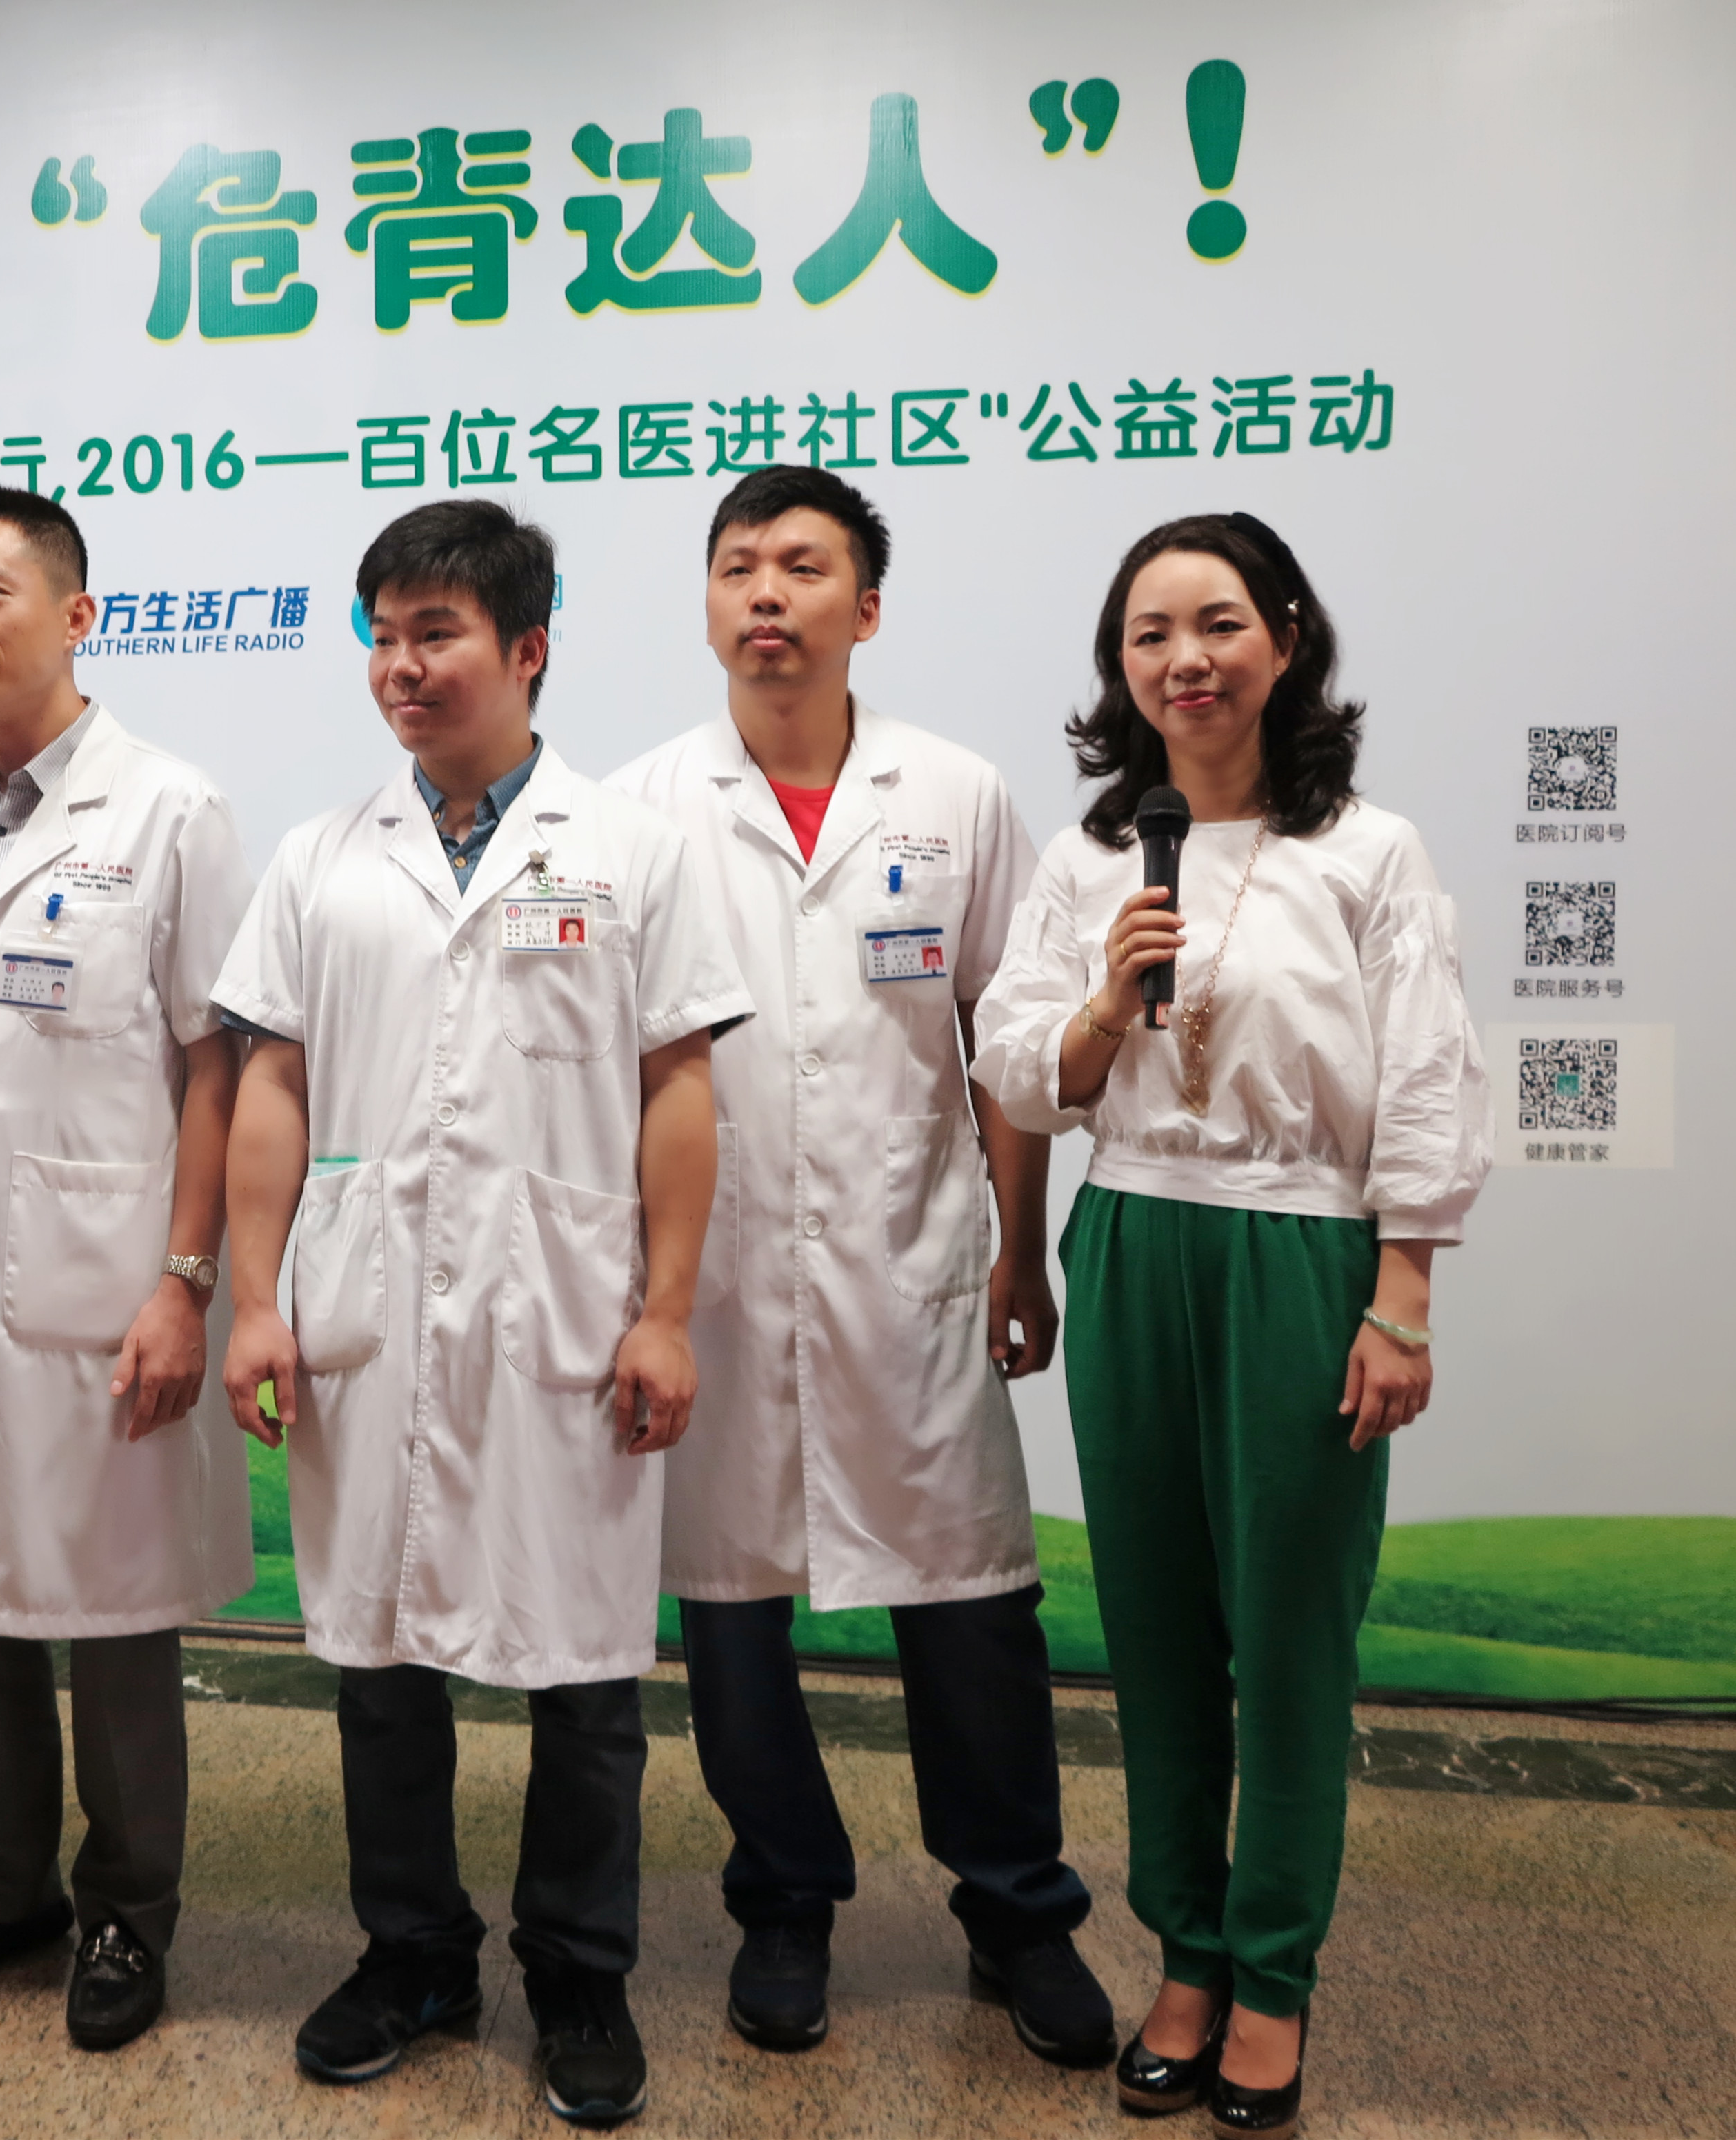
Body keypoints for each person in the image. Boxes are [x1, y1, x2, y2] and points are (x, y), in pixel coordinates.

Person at [214, 499, 750, 2127]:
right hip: (371, 1315)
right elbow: (273, 1086)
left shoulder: (634, 850)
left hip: (564, 1317)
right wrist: (256, 1301)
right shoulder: (323, 857)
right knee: (381, 1667)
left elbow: (679, 1090)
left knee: (583, 1674)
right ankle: (414, 1954)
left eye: (435, 633)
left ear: (527, 650)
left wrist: (668, 1311)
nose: (402, 666)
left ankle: (580, 1967)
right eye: (382, 636)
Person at [974, 514, 1490, 2133]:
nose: (1183, 660)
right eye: (1149, 635)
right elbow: (1015, 1070)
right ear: (1119, 667)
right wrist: (1100, 1006)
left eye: (1216, 624)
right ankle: (1185, 1955)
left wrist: (1403, 1298)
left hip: (1301, 1251)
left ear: (1284, 638)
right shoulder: (1092, 856)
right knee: (1156, 1629)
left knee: (1290, 1633)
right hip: (1134, 1233)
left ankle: (1272, 1975)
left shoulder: (1366, 852)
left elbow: (1425, 1072)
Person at [606, 467, 1113, 2068]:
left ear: (866, 608)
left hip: (915, 1265)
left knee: (971, 1605)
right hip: (714, 1280)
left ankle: (1019, 1910)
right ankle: (784, 1901)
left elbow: (1006, 1048)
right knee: (731, 1609)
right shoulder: (635, 812)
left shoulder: (954, 794)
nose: (767, 594)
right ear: (708, 606)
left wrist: (1018, 1254)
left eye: (804, 567)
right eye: (738, 568)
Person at [0, 487, 254, 2052]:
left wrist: (186, 1280)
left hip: (106, 1272)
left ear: (77, 616)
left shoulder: (171, 809)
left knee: (114, 1606)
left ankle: (128, 1909)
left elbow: (217, 1061)